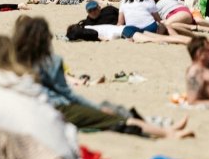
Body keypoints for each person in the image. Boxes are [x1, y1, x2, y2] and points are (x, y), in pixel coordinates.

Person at [13, 16, 192, 139]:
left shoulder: (16, 61)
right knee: (113, 115)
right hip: (58, 109)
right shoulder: (51, 62)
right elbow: (68, 95)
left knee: (111, 110)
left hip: (33, 110)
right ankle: (167, 133)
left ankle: (163, 128)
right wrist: (96, 108)